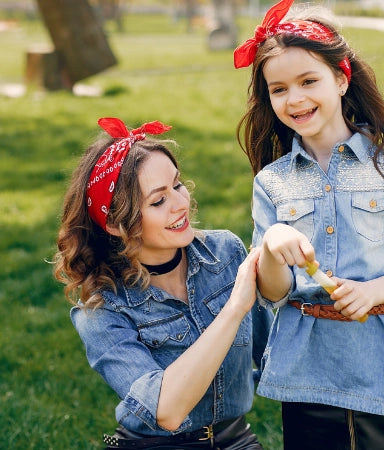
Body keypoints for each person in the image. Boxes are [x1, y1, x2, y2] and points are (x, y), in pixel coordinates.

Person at [233, 1, 384, 448]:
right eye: (278, 89)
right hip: (303, 365)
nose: (294, 99)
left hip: (373, 362)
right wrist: (273, 243)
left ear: (341, 78)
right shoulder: (271, 182)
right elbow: (273, 292)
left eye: (308, 81)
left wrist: (373, 292)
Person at [53, 117, 272, 449]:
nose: (181, 203)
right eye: (158, 201)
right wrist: (234, 309)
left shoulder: (225, 253)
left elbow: (273, 352)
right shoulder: (103, 309)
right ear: (115, 223)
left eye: (178, 185)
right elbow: (166, 411)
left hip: (235, 439)